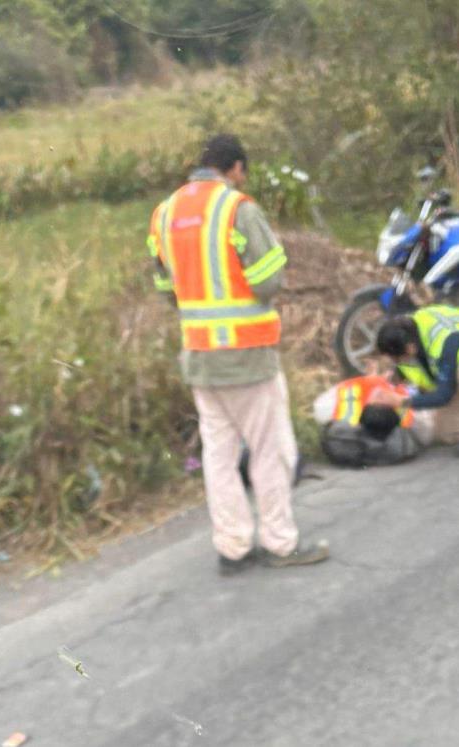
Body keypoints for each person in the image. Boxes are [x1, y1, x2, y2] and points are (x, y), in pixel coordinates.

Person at [148, 133, 328, 575]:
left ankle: (232, 548)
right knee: (271, 450)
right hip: (247, 355)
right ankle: (281, 544)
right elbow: (268, 281)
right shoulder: (236, 209)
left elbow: (163, 287)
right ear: (235, 169)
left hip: (199, 357)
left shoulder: (164, 214)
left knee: (219, 456)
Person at [370, 305, 459, 457]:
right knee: (445, 433)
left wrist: (401, 401)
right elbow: (421, 382)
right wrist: (383, 382)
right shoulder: (408, 339)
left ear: (410, 348)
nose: (395, 362)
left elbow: (443, 395)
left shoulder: (443, 339)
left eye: (396, 359)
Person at [313, 374, 434, 467]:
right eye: (380, 398)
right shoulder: (406, 417)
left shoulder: (339, 411)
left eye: (377, 398)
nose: (378, 394)